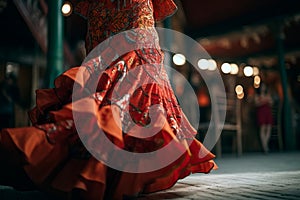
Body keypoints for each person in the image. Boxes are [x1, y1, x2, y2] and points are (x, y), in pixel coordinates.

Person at [0, 0, 217, 199]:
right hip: (118, 9)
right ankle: (111, 165)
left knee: (124, 70)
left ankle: (105, 164)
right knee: (127, 68)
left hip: (105, 9)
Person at [255, 82, 273, 153]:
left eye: (264, 86)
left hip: (268, 112)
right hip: (261, 112)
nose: (263, 87)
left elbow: (271, 102)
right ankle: (265, 147)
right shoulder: (257, 95)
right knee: (262, 128)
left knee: (268, 128)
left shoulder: (268, 94)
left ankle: (265, 145)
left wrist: (264, 100)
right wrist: (265, 101)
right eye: (262, 86)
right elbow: (256, 103)